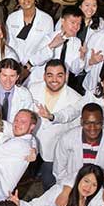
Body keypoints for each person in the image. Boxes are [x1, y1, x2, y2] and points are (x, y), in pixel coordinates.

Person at [29, 59, 82, 189]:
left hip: (54, 152)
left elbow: (73, 126)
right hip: (31, 145)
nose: (54, 79)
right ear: (44, 76)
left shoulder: (76, 99)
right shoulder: (32, 89)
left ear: (66, 76)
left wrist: (51, 116)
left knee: (49, 184)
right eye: (50, 75)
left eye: (59, 75)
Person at [52, 103, 104, 186]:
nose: (92, 128)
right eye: (87, 123)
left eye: (97, 123)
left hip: (100, 188)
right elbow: (59, 171)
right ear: (81, 122)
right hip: (71, 186)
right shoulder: (67, 139)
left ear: (103, 121)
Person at [29, 5, 84, 85]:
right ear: (62, 21)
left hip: (60, 86)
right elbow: (34, 60)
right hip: (39, 83)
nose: (76, 27)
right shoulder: (49, 37)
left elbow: (74, 70)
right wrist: (51, 45)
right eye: (72, 23)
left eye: (79, 24)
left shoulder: (77, 42)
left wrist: (81, 58)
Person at [5, 0, 54, 72]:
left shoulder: (47, 20)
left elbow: (47, 46)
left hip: (37, 66)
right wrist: (15, 64)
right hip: (15, 65)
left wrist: (30, 64)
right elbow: (9, 43)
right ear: (18, 2)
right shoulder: (12, 18)